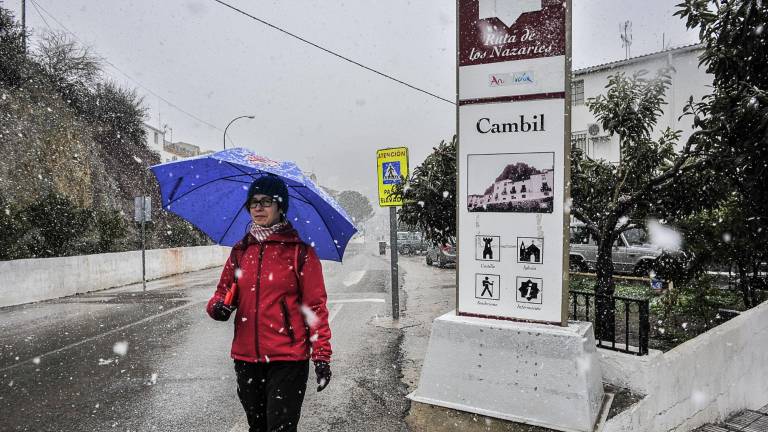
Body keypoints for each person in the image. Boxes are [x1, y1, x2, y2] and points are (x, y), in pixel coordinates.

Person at [206, 175, 332, 432]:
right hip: (246, 358)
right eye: (253, 202)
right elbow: (221, 292)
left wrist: (321, 356)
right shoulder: (241, 251)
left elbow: (315, 308)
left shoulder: (300, 253)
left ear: (280, 206)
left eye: (266, 201)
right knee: (257, 427)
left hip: (288, 359)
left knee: (280, 429)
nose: (258, 208)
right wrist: (219, 306)